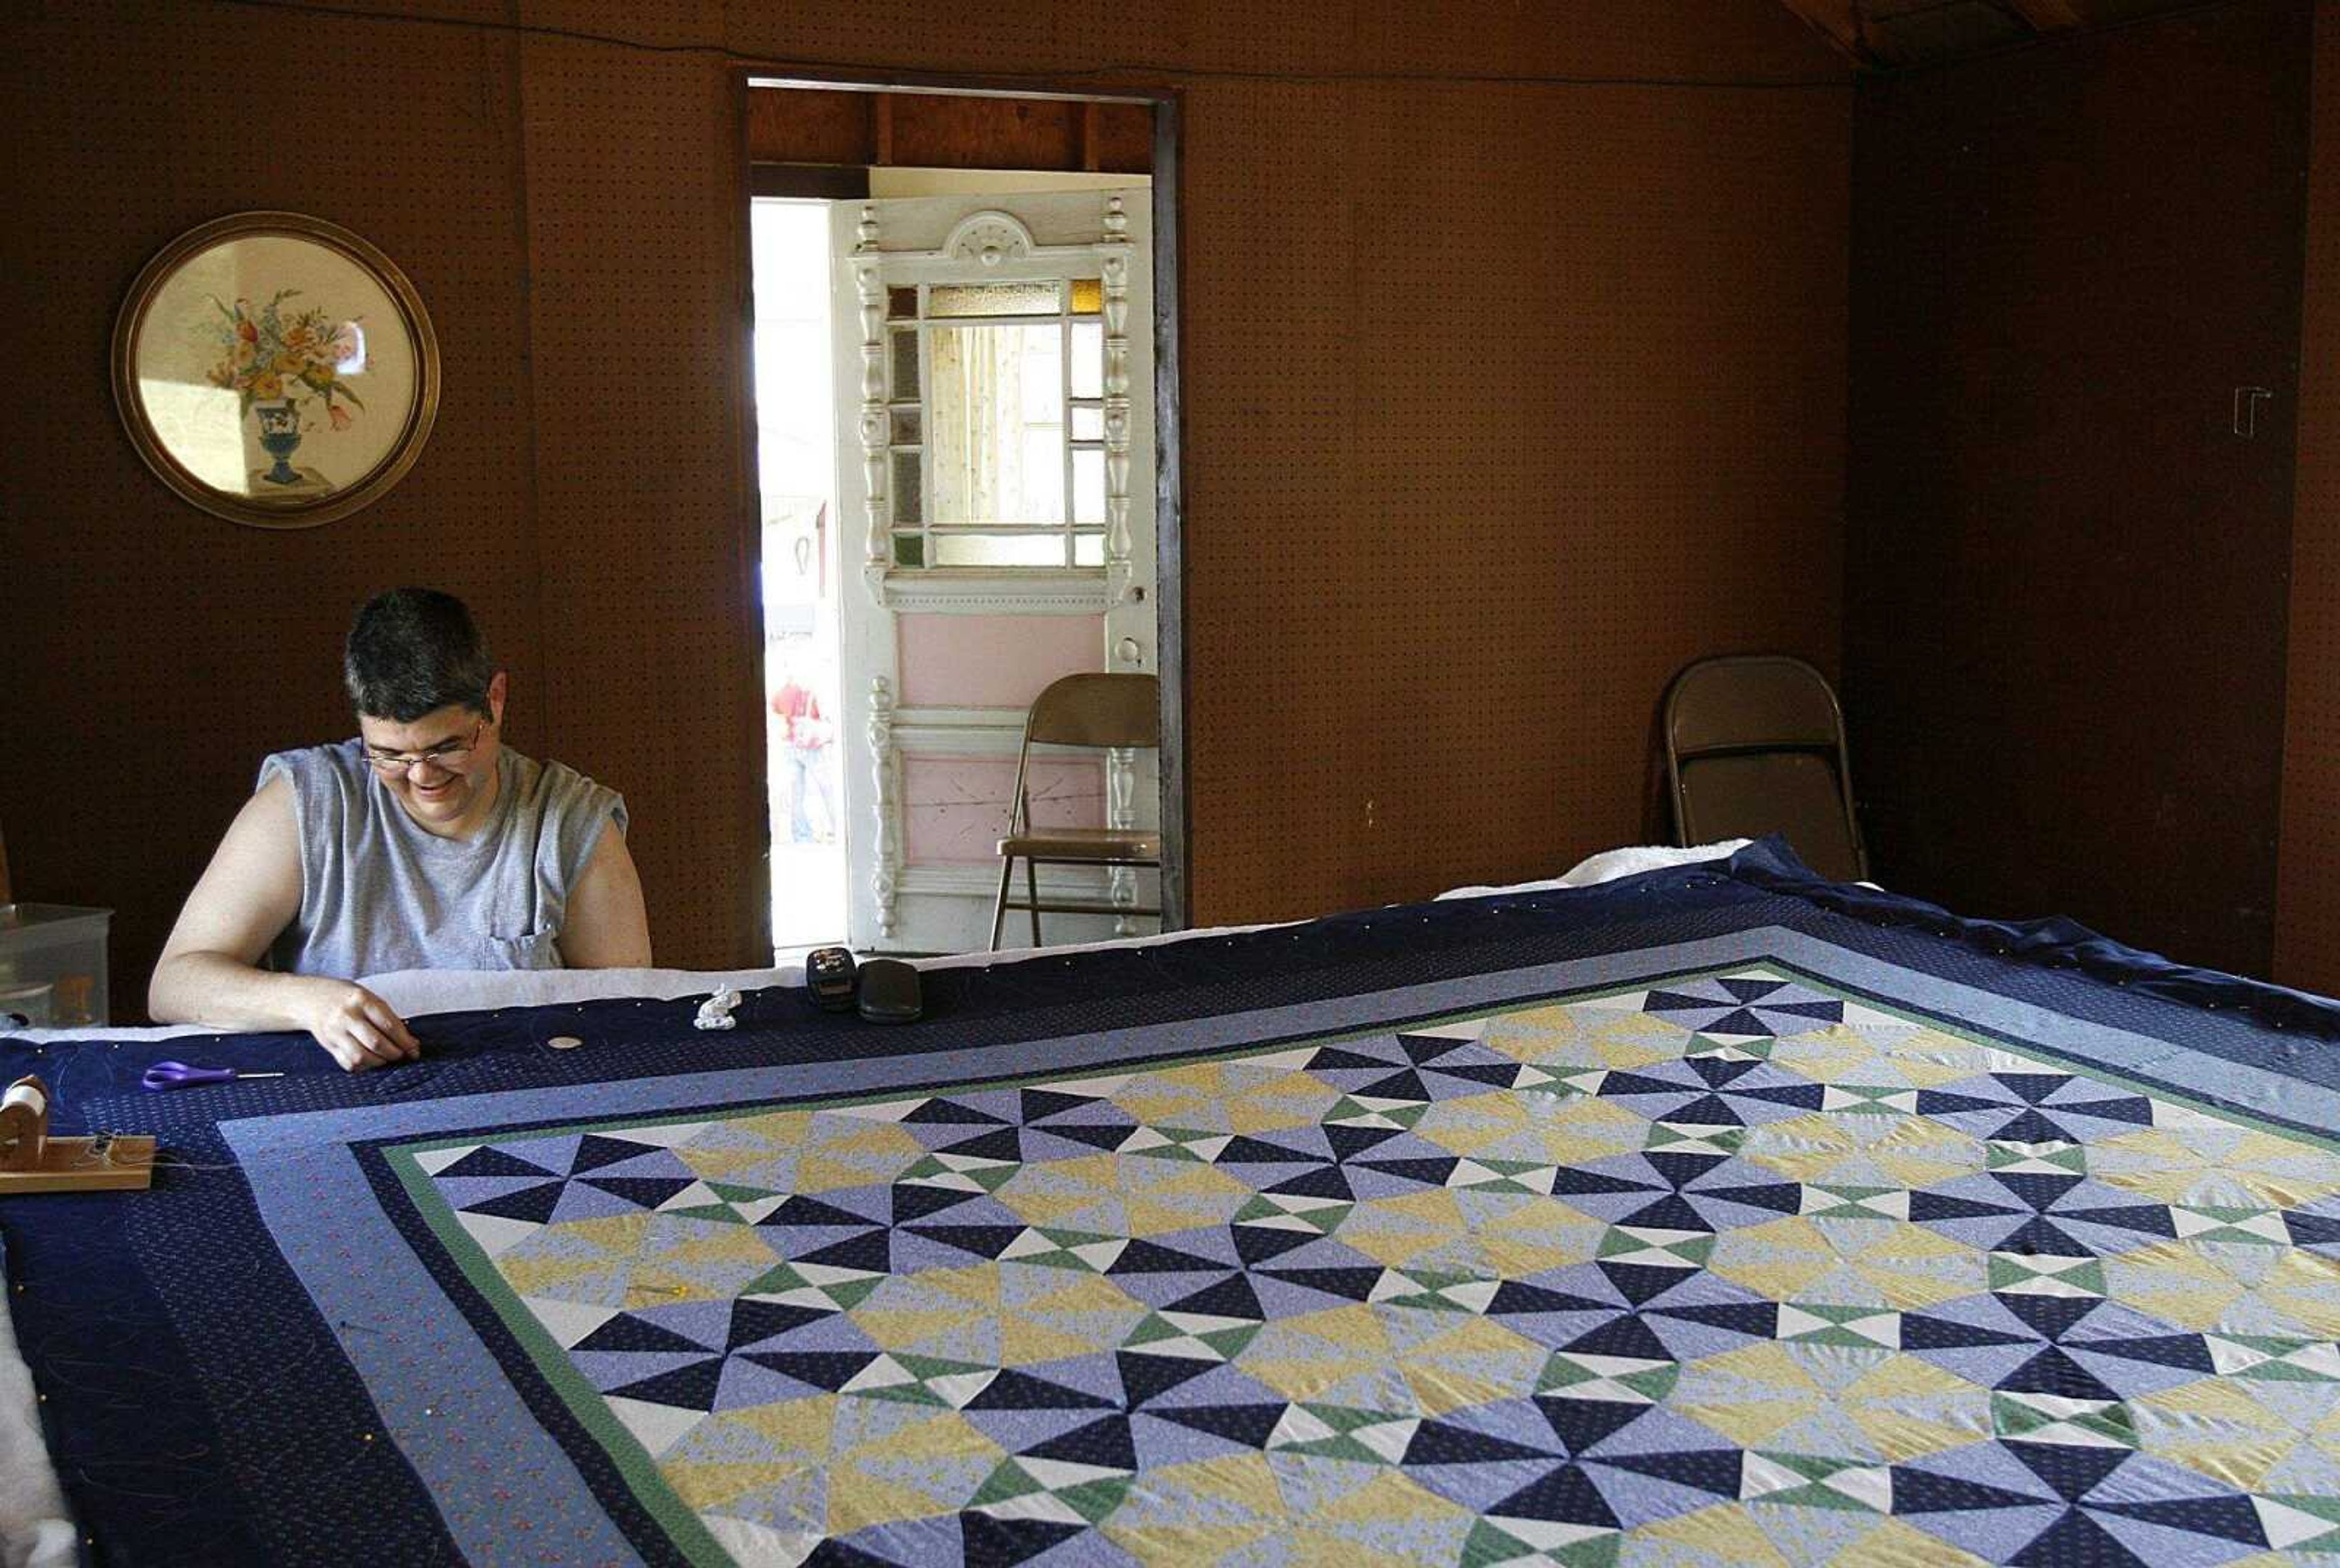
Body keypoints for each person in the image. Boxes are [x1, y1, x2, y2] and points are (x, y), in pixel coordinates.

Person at [149, 588, 651, 1070]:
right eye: (389, 755)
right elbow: (174, 984)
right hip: (340, 1098)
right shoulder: (307, 801)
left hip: (526, 1095)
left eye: (447, 747)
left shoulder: (571, 822)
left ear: (495, 700)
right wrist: (306, 1001)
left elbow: (634, 1021)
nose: (422, 776)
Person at [770, 651, 835, 843]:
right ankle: (838, 829)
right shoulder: (813, 692)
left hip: (790, 744)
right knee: (827, 789)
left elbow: (776, 713)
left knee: (796, 793)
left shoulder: (781, 693)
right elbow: (824, 718)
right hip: (812, 746)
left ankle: (801, 836)